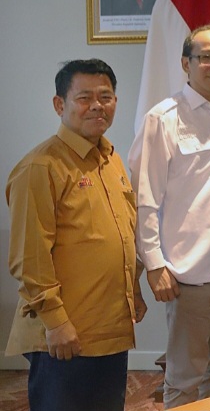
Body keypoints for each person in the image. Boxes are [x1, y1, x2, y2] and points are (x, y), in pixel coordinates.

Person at [128, 24, 210, 407]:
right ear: (186, 63)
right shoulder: (163, 119)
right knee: (185, 373)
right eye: (206, 57)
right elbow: (144, 198)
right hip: (188, 269)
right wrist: (154, 264)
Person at [6, 59, 147, 411]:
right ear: (60, 104)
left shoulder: (111, 159)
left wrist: (134, 289)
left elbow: (121, 233)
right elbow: (30, 257)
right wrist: (56, 323)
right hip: (65, 335)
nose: (97, 105)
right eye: (84, 98)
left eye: (105, 97)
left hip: (110, 329)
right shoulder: (40, 167)